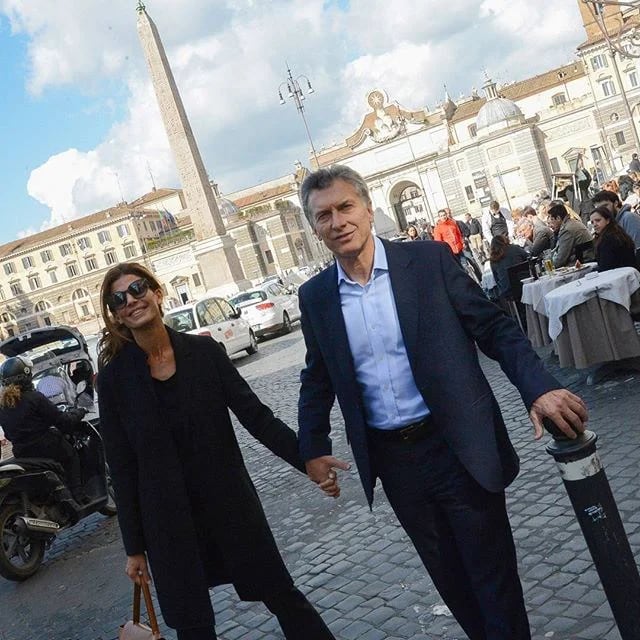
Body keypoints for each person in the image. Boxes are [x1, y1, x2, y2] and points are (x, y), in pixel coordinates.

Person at [296, 165, 588, 640]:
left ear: (368, 210)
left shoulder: (428, 262)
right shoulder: (316, 297)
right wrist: (311, 445)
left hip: (457, 445)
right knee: (451, 580)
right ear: (314, 228)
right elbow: (317, 374)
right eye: (323, 215)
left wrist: (538, 387)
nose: (337, 221)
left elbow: (493, 328)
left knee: (492, 578)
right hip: (395, 461)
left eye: (345, 206)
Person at [96, 263, 335, 640]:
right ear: (116, 316)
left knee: (284, 597)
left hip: (230, 507)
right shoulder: (113, 381)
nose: (131, 300)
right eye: (118, 298)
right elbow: (122, 469)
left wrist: (307, 459)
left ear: (157, 293)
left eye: (138, 288)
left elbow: (257, 417)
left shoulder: (204, 352)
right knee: (193, 627)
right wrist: (134, 548)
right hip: (169, 525)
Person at [0, 356, 87, 501]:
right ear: (26, 375)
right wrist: (78, 412)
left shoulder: (3, 406)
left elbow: (9, 435)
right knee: (71, 455)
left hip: (22, 453)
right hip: (47, 448)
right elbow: (63, 422)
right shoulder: (35, 398)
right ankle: (78, 495)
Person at [590, 206, 638, 272]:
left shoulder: (608, 239)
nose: (594, 225)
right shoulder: (616, 232)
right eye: (592, 222)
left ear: (607, 220)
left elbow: (606, 266)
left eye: (598, 220)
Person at [547, 203, 593, 268]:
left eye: (552, 219)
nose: (550, 224)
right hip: (586, 260)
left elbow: (561, 259)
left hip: (583, 264)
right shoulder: (572, 222)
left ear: (558, 218)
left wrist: (549, 267)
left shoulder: (567, 230)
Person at [489, 235, 529, 300]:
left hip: (507, 290)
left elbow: (496, 279)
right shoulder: (514, 248)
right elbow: (528, 258)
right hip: (523, 284)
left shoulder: (493, 259)